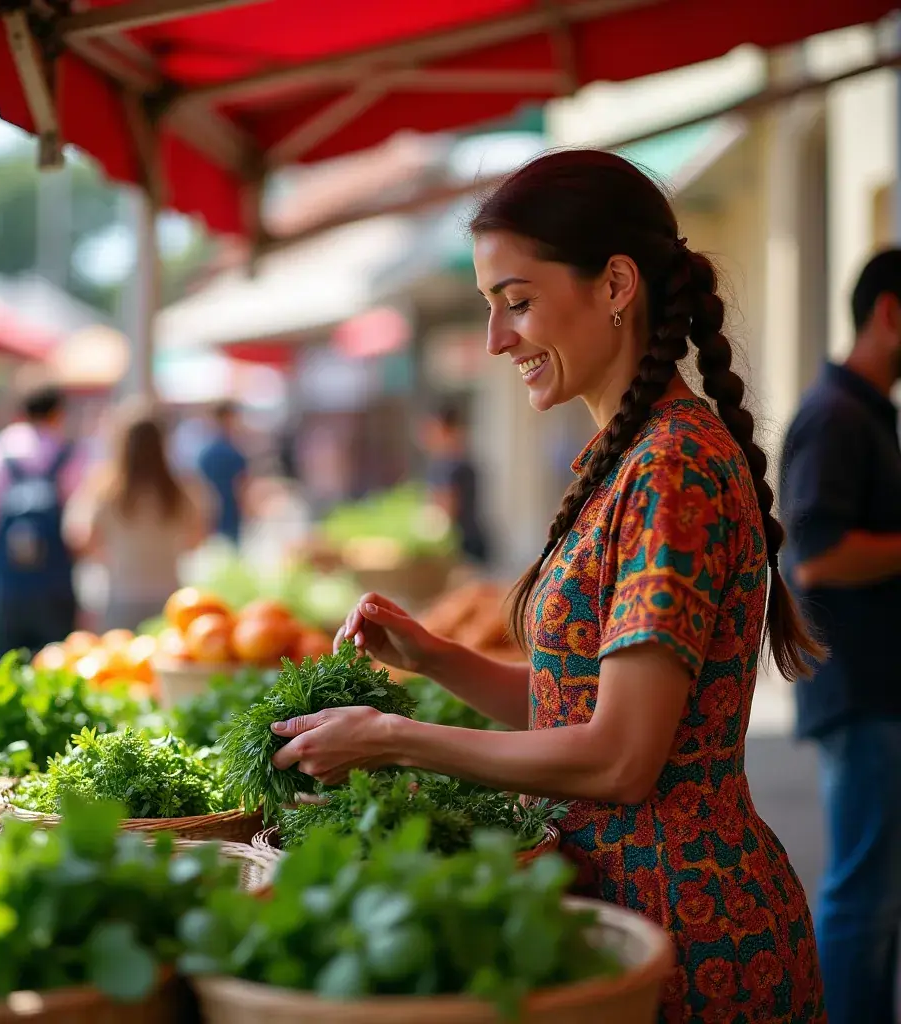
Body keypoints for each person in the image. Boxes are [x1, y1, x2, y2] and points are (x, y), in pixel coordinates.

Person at [266, 151, 827, 1024]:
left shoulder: (670, 469)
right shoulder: (630, 457)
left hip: (684, 927)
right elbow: (580, 707)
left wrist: (394, 738)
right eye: (492, 309)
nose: (497, 342)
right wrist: (435, 656)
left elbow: (617, 755)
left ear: (614, 285)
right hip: (627, 909)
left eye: (518, 303)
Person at [778, 248, 901, 1024]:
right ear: (889, 313)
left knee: (876, 901)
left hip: (875, 691)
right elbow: (814, 556)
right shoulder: (836, 415)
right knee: (863, 902)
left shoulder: (862, 412)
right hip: (860, 695)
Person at [0, 381, 85, 657]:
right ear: (58, 414)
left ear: (19, 412)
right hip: (56, 590)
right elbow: (82, 531)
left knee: (8, 677)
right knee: (56, 675)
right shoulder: (71, 456)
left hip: (7, 589)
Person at [64, 399, 208, 632]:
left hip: (120, 595)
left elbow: (81, 537)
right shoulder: (182, 487)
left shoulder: (103, 487)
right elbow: (197, 540)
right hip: (169, 595)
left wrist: (110, 556)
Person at [422, 402, 490, 565]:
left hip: (463, 545)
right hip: (468, 540)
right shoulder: (446, 462)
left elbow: (447, 508)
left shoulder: (452, 465)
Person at [197, 400, 249, 545]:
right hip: (228, 515)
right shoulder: (232, 453)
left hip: (212, 515)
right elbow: (242, 487)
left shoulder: (206, 453)